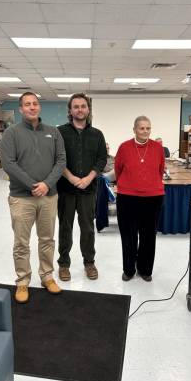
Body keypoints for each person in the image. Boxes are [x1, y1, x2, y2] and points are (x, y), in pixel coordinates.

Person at [0, 92, 66, 303]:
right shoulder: (11, 133)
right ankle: (22, 281)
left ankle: (47, 276)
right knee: (21, 242)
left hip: (49, 196)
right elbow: (9, 163)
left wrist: (47, 184)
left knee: (47, 239)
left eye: (35, 104)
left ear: (39, 107)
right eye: (27, 104)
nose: (31, 107)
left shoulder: (53, 132)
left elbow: (61, 161)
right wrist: (32, 185)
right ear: (21, 109)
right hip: (21, 198)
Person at [57, 93, 107, 281]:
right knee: (65, 228)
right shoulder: (60, 132)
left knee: (87, 228)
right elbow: (57, 158)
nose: (80, 109)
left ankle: (89, 263)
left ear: (88, 109)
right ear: (70, 110)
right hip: (65, 189)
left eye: (83, 106)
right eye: (76, 106)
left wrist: (89, 177)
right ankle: (63, 264)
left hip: (88, 189)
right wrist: (70, 177)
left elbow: (102, 159)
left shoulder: (97, 134)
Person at [115, 116, 165, 282]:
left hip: (153, 197)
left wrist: (149, 185)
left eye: (148, 128)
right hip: (127, 197)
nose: (145, 131)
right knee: (128, 236)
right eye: (142, 128)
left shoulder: (158, 148)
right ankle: (129, 269)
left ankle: (144, 269)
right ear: (134, 129)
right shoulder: (124, 147)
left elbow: (160, 170)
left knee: (148, 236)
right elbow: (118, 169)